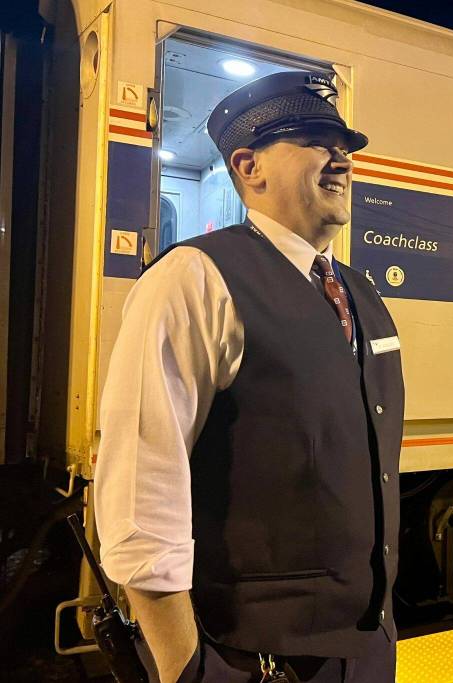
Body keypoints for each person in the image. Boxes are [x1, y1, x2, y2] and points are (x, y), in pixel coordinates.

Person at [94, 71, 405, 682]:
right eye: (314, 140)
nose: (342, 158)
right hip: (255, 658)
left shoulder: (361, 292)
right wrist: (185, 669)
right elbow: (142, 482)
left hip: (369, 649)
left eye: (344, 145)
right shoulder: (194, 278)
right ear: (249, 166)